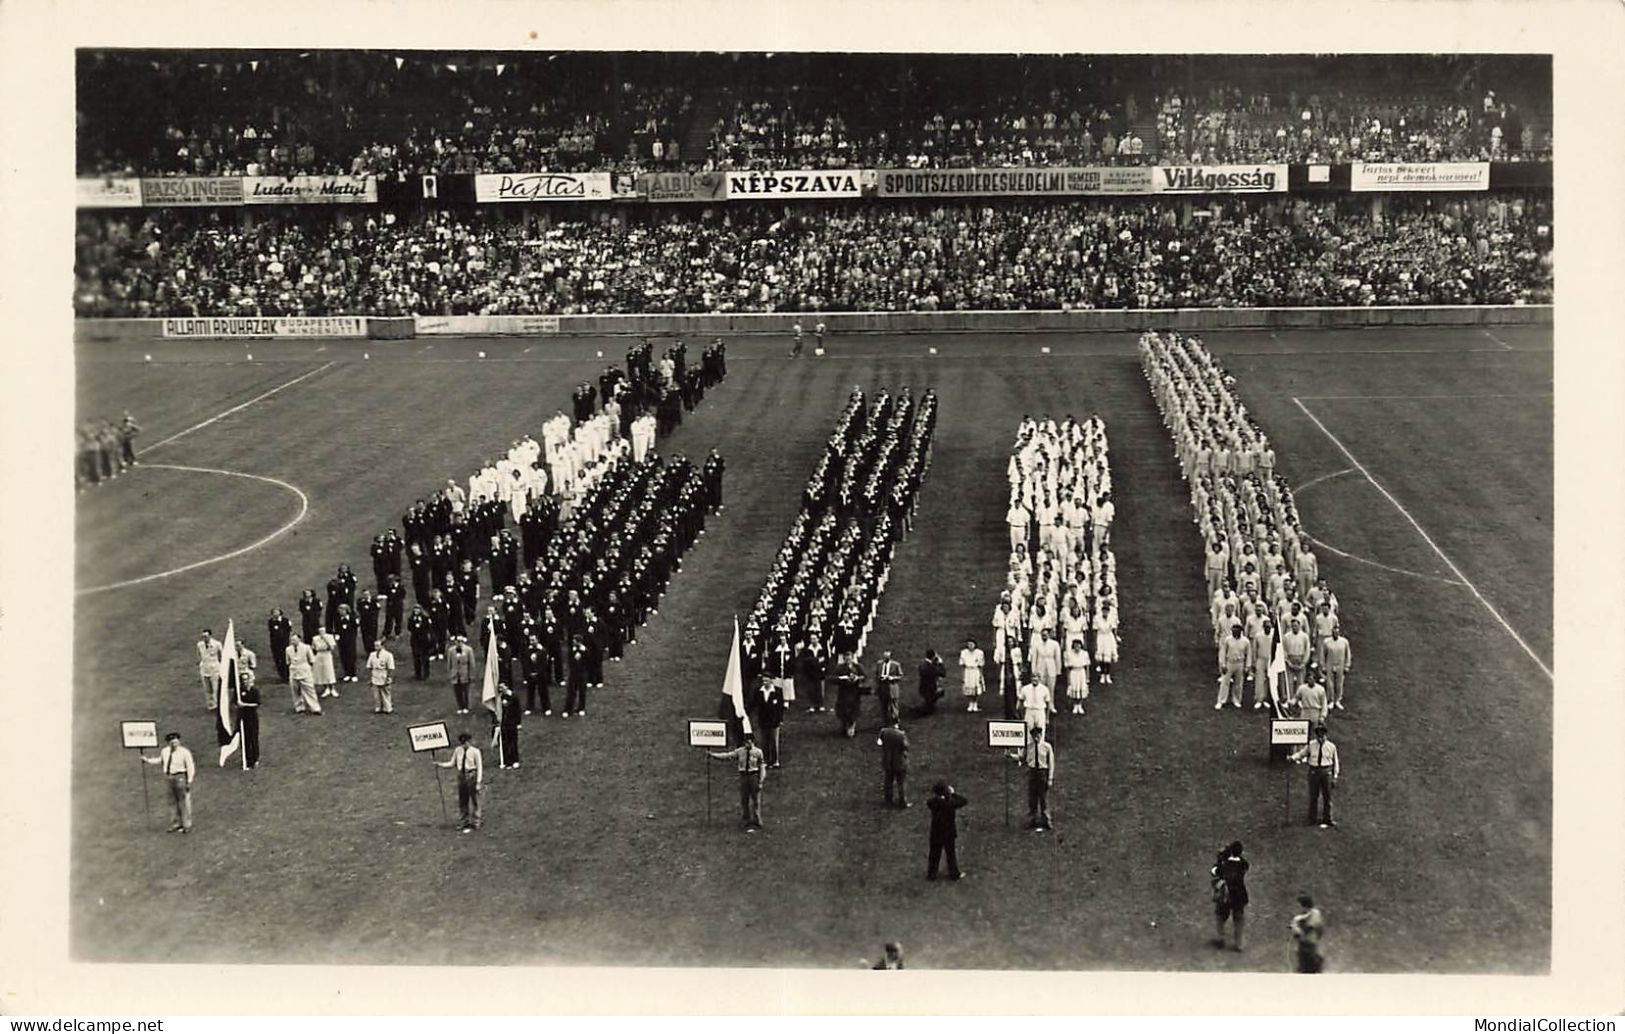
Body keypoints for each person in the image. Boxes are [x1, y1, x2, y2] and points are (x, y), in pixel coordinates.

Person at [709, 733, 767, 832]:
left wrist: (761, 781)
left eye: (748, 742)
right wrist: (713, 755)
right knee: (744, 799)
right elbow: (727, 756)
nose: (746, 744)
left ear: (752, 742)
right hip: (743, 776)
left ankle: (757, 820)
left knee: (756, 800)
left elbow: (762, 767)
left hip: (753, 776)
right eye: (745, 742)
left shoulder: (758, 752)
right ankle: (746, 819)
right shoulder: (740, 751)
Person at [142, 732, 195, 833]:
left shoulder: (185, 752)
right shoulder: (165, 751)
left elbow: (190, 767)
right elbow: (160, 760)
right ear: (168, 742)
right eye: (172, 742)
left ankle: (186, 824)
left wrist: (189, 781)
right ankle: (175, 823)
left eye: (176, 741)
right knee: (172, 802)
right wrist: (147, 760)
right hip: (169, 777)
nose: (174, 743)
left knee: (183, 802)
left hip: (180, 776)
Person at [1289, 724, 1340, 827]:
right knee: (1313, 796)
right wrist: (1292, 758)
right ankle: (1312, 819)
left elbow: (1336, 762)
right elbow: (1302, 754)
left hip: (1326, 772)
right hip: (1314, 771)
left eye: (1323, 735)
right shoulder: (1311, 745)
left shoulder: (1331, 746)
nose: (1321, 738)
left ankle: (1328, 818)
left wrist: (1335, 777)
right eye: (1319, 736)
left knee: (1327, 797)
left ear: (1326, 735)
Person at [433, 733, 483, 832]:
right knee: (463, 800)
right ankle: (464, 821)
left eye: (466, 742)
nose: (465, 744)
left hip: (471, 774)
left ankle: (476, 821)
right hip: (461, 776)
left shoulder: (475, 751)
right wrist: (441, 764)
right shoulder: (458, 750)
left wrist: (478, 782)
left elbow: (480, 767)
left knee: (475, 800)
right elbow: (452, 763)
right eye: (463, 743)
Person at [1013, 724, 1056, 830]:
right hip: (1032, 772)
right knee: (1032, 797)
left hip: (1042, 773)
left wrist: (1050, 778)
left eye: (1038, 736)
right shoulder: (1029, 747)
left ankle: (1046, 820)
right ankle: (1032, 819)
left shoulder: (1047, 747)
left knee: (1043, 798)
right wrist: (1010, 755)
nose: (1036, 738)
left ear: (1041, 735)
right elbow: (1022, 758)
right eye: (1034, 736)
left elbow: (1051, 763)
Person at [1210, 841, 1250, 951]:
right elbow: (1243, 866)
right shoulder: (1244, 863)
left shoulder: (1224, 864)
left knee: (1220, 916)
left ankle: (1220, 938)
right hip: (1239, 895)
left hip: (1225, 895)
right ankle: (1239, 944)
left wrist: (1219, 860)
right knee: (1238, 919)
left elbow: (1214, 872)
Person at [925, 781, 967, 880]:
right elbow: (963, 801)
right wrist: (953, 794)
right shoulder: (949, 804)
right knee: (950, 854)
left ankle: (931, 874)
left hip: (936, 832)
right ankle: (954, 874)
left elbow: (932, 801)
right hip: (948, 832)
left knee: (934, 854)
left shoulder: (932, 802)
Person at [831, 647, 867, 738]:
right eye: (846, 657)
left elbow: (864, 676)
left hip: (854, 692)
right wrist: (841, 678)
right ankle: (844, 725)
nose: (848, 659)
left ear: (852, 657)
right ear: (844, 658)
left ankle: (851, 727)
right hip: (843, 692)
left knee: (853, 710)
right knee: (843, 710)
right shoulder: (839, 668)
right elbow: (832, 678)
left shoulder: (858, 666)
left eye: (849, 657)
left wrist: (857, 678)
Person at [284, 633, 322, 715]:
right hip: (293, 672)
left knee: (309, 690)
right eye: (292, 640)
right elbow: (288, 662)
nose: (292, 641)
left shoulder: (306, 647)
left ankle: (315, 708)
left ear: (299, 639)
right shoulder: (288, 649)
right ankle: (299, 708)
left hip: (305, 671)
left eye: (294, 640)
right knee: (295, 691)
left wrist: (308, 669)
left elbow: (312, 660)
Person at [237, 639, 261, 769]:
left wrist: (244, 704)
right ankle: (247, 759)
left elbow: (257, 704)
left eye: (247, 680)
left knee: (253, 738)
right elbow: (234, 702)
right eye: (243, 680)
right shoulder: (239, 690)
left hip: (252, 717)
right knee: (244, 739)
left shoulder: (254, 691)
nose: (245, 682)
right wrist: (238, 705)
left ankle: (255, 758)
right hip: (242, 717)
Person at [1217, 623, 1251, 710]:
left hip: (1240, 663)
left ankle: (1236, 700)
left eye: (1237, 630)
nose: (1234, 631)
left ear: (1240, 631)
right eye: (1233, 630)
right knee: (1225, 682)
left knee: (1238, 683)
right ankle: (1221, 701)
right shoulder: (1227, 640)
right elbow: (1223, 652)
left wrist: (1247, 666)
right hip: (1229, 662)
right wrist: (1223, 664)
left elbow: (1248, 654)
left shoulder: (1245, 641)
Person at [1290, 894, 1327, 973]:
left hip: (1311, 945)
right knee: (1302, 968)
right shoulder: (1297, 917)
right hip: (1301, 945)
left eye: (1299, 905)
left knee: (1313, 966)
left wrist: (1301, 930)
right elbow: (1295, 930)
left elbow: (1312, 926)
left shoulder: (1315, 913)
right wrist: (1295, 931)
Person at [878, 719, 910, 808]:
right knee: (901, 782)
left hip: (888, 761)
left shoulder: (883, 732)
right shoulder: (901, 735)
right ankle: (902, 801)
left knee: (888, 781)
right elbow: (906, 747)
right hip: (899, 762)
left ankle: (888, 800)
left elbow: (879, 743)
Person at [755, 676, 787, 769]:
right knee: (764, 741)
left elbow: (780, 708)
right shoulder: (759, 691)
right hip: (763, 720)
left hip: (774, 721)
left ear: (771, 681)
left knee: (773, 741)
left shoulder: (777, 691)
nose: (764, 682)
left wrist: (780, 719)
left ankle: (775, 760)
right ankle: (765, 760)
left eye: (766, 680)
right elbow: (754, 704)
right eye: (763, 681)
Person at [1321, 624, 1352, 711]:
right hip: (1330, 664)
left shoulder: (1344, 642)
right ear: (1332, 632)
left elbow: (1348, 655)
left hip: (1340, 665)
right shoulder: (1326, 642)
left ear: (1339, 633)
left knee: (1339, 684)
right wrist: (1323, 666)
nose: (1335, 634)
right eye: (1334, 632)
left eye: (1337, 632)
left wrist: (1347, 666)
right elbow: (1323, 655)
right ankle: (1330, 700)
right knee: (1330, 684)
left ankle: (1337, 700)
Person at [366, 636, 397, 715]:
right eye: (375, 646)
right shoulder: (372, 655)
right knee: (376, 693)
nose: (376, 647)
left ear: (382, 646)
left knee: (385, 692)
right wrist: (370, 677)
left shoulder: (388, 655)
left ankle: (387, 708)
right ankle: (378, 707)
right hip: (375, 674)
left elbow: (390, 668)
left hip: (384, 674)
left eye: (377, 645)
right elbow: (369, 666)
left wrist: (388, 677)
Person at [447, 635, 475, 714]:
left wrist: (471, 675)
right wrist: (450, 673)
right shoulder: (451, 650)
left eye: (460, 641)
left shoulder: (468, 650)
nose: (458, 643)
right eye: (457, 641)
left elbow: (471, 663)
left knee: (465, 691)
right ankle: (460, 706)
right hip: (455, 674)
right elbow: (449, 663)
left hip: (465, 673)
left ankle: (466, 706)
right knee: (457, 691)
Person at [496, 683, 522, 768]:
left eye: (502, 687)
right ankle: (506, 760)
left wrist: (518, 722)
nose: (501, 689)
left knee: (513, 742)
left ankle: (515, 759)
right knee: (504, 742)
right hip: (503, 724)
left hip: (512, 723)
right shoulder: (500, 698)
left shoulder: (513, 697)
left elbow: (518, 711)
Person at [196, 629, 223, 711]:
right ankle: (211, 705)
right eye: (203, 637)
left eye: (206, 636)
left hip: (214, 668)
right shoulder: (200, 645)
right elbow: (199, 655)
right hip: (204, 668)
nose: (205, 638)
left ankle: (217, 705)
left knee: (215, 687)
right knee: (207, 688)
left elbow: (221, 656)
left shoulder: (217, 644)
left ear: (210, 636)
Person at [875, 649, 904, 724]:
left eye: (887, 657)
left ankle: (895, 721)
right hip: (882, 688)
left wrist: (892, 678)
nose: (885, 659)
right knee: (883, 706)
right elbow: (876, 675)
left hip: (892, 688)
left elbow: (900, 676)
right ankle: (885, 722)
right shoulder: (879, 664)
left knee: (893, 706)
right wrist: (880, 679)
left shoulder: (896, 665)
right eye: (884, 657)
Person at [915, 649, 946, 716]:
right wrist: (940, 664)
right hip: (930, 687)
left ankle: (926, 709)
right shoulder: (931, 666)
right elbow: (942, 673)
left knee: (929, 700)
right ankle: (924, 711)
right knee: (930, 701)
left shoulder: (923, 664)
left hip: (924, 686)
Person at [1064, 637, 1090, 714]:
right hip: (1074, 672)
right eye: (1075, 646)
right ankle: (1075, 704)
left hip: (1081, 672)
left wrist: (1087, 677)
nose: (1077, 647)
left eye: (1078, 645)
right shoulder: (1069, 654)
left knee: (1081, 687)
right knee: (1074, 687)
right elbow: (1068, 668)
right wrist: (1068, 679)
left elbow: (1087, 666)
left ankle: (1080, 705)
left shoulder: (1084, 654)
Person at [958, 636, 985, 712]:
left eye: (971, 644)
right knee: (968, 688)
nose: (970, 646)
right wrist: (962, 676)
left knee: (976, 688)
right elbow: (962, 665)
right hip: (968, 671)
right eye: (969, 644)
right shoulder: (963, 653)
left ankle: (975, 703)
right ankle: (970, 703)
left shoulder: (979, 653)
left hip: (975, 671)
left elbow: (981, 665)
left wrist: (980, 675)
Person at [311, 628, 339, 700]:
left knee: (329, 671)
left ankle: (332, 688)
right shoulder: (315, 638)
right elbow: (313, 647)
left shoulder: (329, 637)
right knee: (321, 672)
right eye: (320, 631)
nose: (321, 632)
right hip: (319, 655)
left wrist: (326, 639)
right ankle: (326, 688)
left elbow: (331, 647)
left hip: (327, 655)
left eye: (323, 631)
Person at [267, 608, 292, 682]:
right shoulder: (271, 621)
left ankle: (287, 676)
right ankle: (282, 676)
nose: (275, 614)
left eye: (276, 612)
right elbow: (272, 631)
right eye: (274, 612)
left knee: (285, 660)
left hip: (284, 643)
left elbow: (288, 630)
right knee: (277, 660)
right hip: (275, 644)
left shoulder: (285, 620)